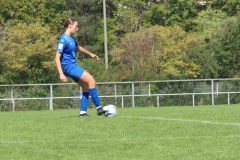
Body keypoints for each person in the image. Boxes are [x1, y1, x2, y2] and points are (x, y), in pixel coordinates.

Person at [55, 18, 106, 117]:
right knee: (91, 81)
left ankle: (83, 113)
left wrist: (90, 54)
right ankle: (99, 108)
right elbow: (57, 57)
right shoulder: (63, 39)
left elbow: (78, 48)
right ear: (70, 26)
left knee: (86, 86)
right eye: (76, 26)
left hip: (72, 66)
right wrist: (61, 73)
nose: (77, 28)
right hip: (69, 67)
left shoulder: (72, 38)